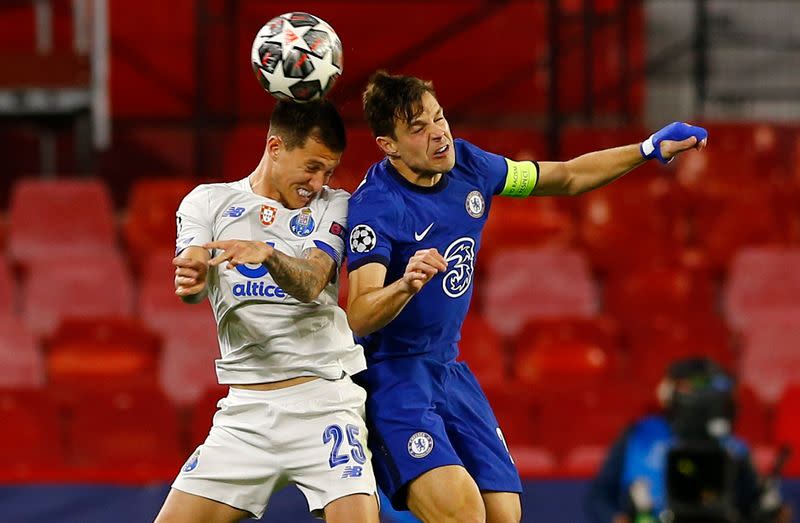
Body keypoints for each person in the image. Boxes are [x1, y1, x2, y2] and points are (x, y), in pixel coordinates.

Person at [344, 70, 709, 523]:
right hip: (391, 377)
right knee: (462, 514)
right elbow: (357, 315)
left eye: (439, 118)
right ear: (388, 145)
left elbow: (569, 177)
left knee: (504, 514)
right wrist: (405, 284)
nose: (439, 134)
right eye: (418, 129)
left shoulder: (470, 167)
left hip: (447, 369)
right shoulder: (378, 205)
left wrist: (646, 149)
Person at [154, 99, 379, 523]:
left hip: (324, 403)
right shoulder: (207, 202)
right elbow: (193, 276)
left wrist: (268, 255)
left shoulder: (334, 205)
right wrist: (193, 281)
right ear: (275, 148)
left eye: (328, 170)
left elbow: (313, 281)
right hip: (246, 413)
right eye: (311, 167)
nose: (318, 181)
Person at [585, 357, 792, 523]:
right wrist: (617, 518)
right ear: (668, 392)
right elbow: (600, 496)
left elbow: (752, 505)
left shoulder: (734, 449)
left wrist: (770, 514)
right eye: (691, 388)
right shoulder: (639, 436)